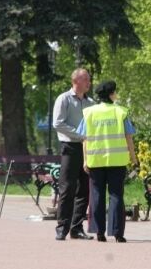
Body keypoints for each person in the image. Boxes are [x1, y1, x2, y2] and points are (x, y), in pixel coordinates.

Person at [79, 81, 138, 243]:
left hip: (95, 160)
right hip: (117, 161)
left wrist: (85, 160)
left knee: (97, 196)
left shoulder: (89, 113)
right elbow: (129, 137)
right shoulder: (120, 112)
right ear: (112, 94)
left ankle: (99, 232)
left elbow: (84, 139)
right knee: (116, 195)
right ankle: (117, 233)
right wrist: (133, 158)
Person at [52, 68, 95, 241]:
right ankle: (62, 227)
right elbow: (58, 124)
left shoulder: (90, 103)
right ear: (76, 81)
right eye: (86, 79)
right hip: (70, 147)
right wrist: (81, 135)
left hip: (87, 149)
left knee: (84, 189)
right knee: (67, 188)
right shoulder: (64, 99)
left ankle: (77, 228)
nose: (89, 83)